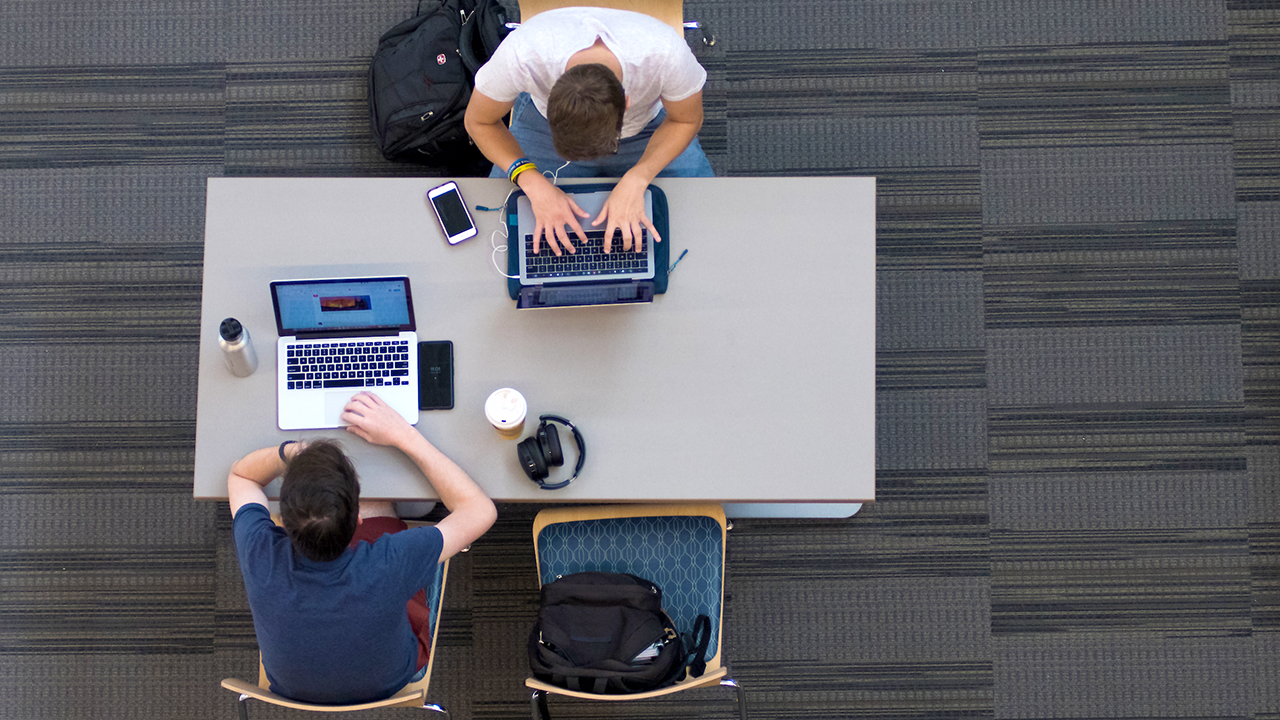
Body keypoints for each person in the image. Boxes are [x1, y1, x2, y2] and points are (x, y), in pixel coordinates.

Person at [227, 391, 497, 704]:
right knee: (380, 503)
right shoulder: (390, 561)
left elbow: (241, 475)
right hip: (389, 679)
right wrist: (404, 435)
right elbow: (480, 511)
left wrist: (295, 453)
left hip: (292, 685)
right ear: (358, 522)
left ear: (282, 522)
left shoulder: (259, 551)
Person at [464, 6, 713, 257]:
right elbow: (478, 122)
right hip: (542, 131)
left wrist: (639, 175)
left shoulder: (666, 55)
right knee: (498, 224)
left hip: (647, 129)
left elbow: (686, 121)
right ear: (550, 98)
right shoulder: (522, 55)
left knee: (708, 213)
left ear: (627, 103)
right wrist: (530, 180)